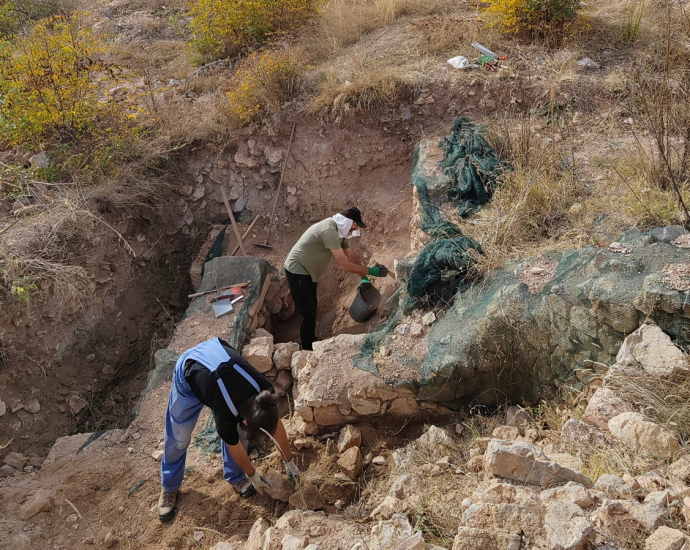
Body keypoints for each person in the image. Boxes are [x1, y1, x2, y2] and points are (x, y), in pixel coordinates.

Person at [158, 337, 300, 523]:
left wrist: (289, 462)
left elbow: (275, 423)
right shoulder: (226, 414)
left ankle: (236, 477)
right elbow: (233, 445)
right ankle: (169, 487)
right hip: (189, 373)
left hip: (218, 354)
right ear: (246, 421)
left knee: (240, 435)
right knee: (179, 437)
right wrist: (254, 475)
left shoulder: (265, 394)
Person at [284, 206, 389, 350]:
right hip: (297, 270)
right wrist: (372, 270)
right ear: (347, 222)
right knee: (308, 312)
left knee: (312, 307)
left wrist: (364, 278)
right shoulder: (329, 230)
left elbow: (352, 257)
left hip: (308, 272)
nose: (355, 230)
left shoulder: (340, 235)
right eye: (354, 226)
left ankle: (311, 340)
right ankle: (308, 349)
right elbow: (343, 264)